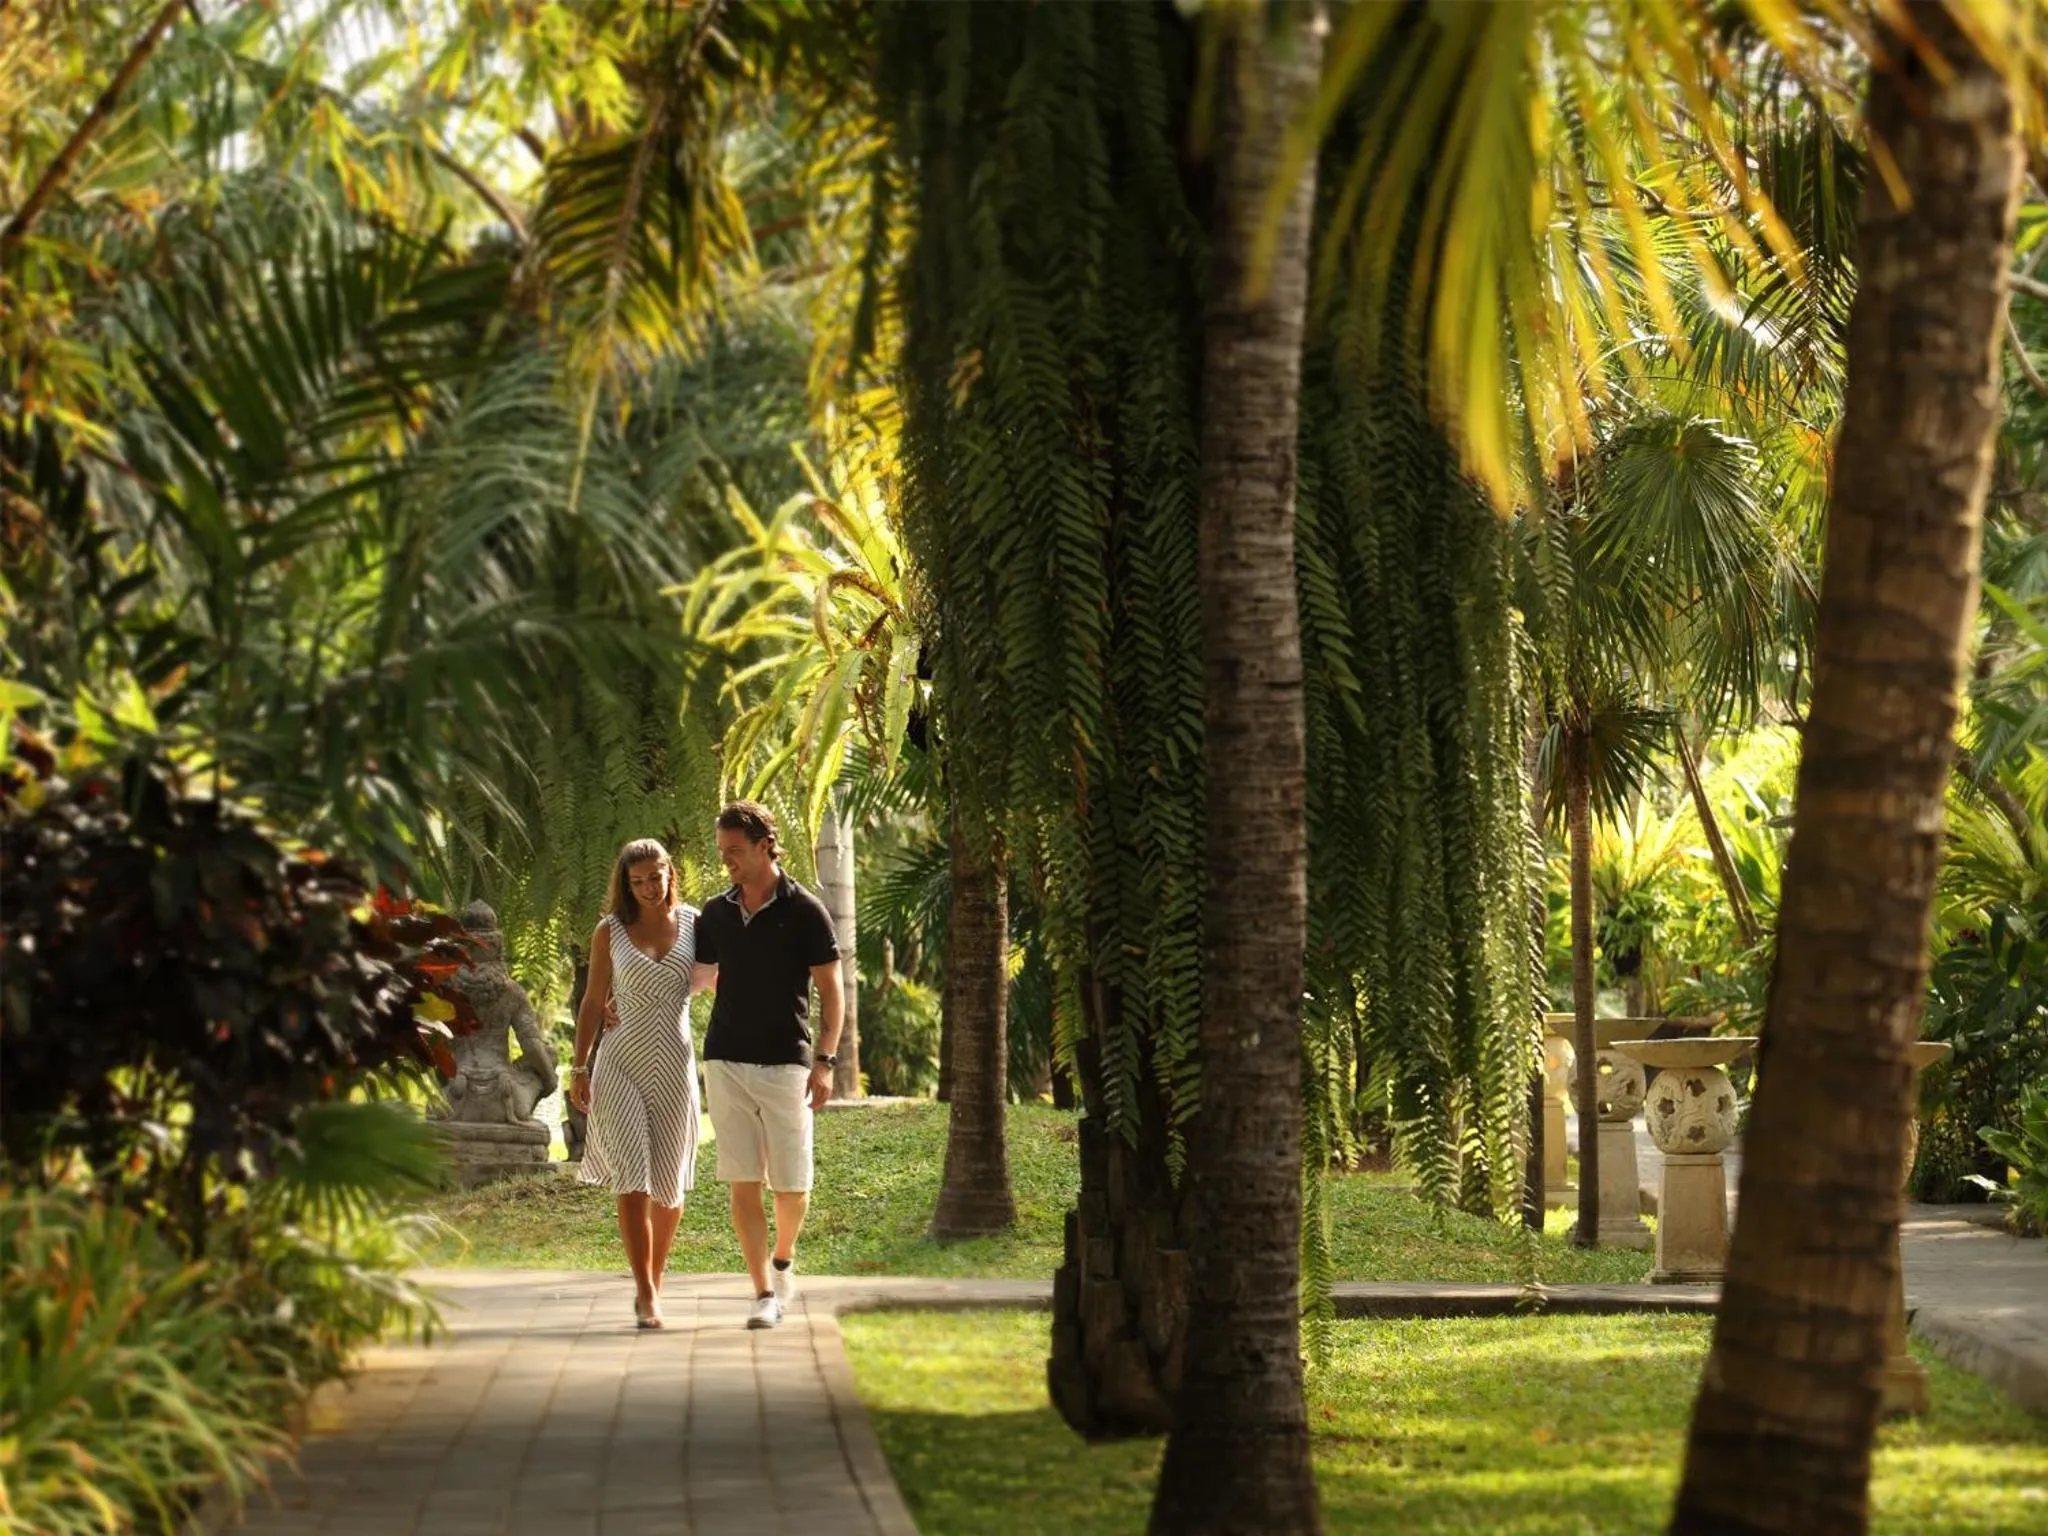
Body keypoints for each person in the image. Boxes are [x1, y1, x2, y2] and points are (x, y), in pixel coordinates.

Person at [691, 800, 844, 1329]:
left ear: (763, 846)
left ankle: (783, 1259)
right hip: (725, 1058)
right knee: (742, 1179)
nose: (726, 860)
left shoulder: (805, 910)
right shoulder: (714, 913)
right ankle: (762, 1292)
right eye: (722, 851)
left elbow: (832, 990)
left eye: (735, 850)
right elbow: (698, 975)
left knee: (791, 1183)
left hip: (787, 1062)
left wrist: (825, 1061)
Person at [569, 838, 699, 1330]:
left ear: (670, 872)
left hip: (675, 1063)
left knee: (669, 1186)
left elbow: (720, 976)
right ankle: (645, 1292)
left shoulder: (695, 924)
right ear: (626, 884)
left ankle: (655, 1281)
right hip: (619, 1062)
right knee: (633, 1175)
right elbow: (590, 1000)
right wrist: (579, 1067)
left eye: (655, 875)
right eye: (637, 880)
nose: (647, 887)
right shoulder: (610, 931)